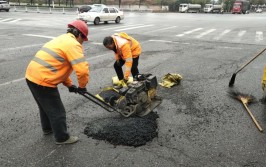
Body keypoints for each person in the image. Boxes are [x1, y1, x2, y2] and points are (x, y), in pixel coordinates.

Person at [25, 20, 89, 145]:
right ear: (80, 34)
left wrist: (69, 85)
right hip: (43, 81)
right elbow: (82, 70)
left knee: (45, 107)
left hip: (31, 76)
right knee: (57, 111)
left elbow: (58, 67)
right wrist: (82, 86)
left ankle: (48, 129)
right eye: (83, 38)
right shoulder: (73, 44)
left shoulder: (61, 39)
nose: (83, 42)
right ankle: (62, 137)